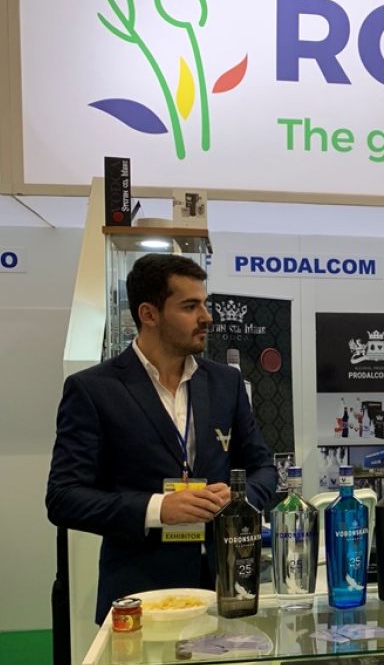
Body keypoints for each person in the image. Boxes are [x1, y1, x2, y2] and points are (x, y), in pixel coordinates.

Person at [46, 253, 277, 623]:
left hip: (228, 588)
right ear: (149, 314)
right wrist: (157, 509)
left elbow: (263, 468)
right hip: (142, 595)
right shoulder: (94, 390)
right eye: (190, 306)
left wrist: (239, 499)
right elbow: (63, 498)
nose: (206, 317)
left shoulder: (226, 383)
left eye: (204, 304)